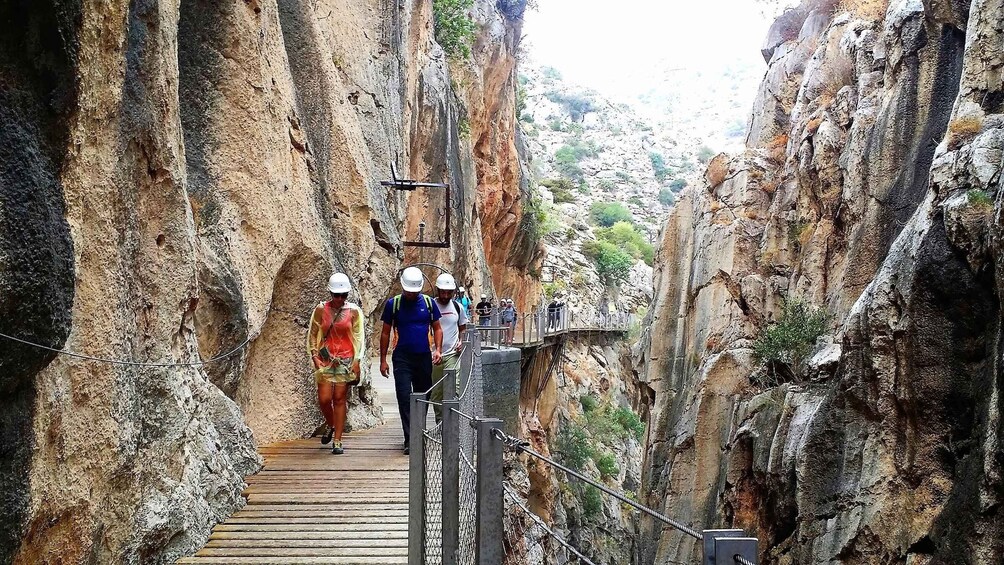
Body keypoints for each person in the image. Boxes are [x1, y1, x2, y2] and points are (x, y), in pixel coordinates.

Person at [379, 266, 443, 454]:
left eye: (414, 292)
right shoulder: (394, 304)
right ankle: (410, 439)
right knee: (404, 396)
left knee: (423, 396)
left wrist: (437, 349)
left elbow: (437, 328)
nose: (411, 295)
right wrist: (383, 359)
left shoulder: (429, 304)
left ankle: (418, 432)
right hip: (402, 358)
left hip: (423, 356)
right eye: (408, 291)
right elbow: (385, 332)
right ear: (403, 288)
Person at [307, 273, 364, 455]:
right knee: (324, 399)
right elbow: (313, 332)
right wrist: (314, 355)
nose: (340, 299)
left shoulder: (354, 311)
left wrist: (357, 361)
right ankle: (331, 425)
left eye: (343, 295)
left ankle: (338, 440)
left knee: (339, 398)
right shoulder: (321, 309)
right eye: (336, 295)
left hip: (345, 359)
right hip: (325, 358)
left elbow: (359, 337)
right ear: (330, 294)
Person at [428, 273, 468, 422]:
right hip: (434, 356)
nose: (445, 295)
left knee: (454, 388)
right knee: (437, 392)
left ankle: (453, 421)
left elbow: (462, 328)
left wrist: (461, 341)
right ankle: (440, 422)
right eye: (443, 292)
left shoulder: (457, 307)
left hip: (452, 354)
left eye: (449, 292)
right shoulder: (430, 305)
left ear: (453, 292)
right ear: (437, 290)